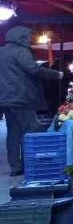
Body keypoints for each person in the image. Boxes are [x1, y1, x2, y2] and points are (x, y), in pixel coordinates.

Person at [0, 26, 62, 175]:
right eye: (27, 36)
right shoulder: (21, 51)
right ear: (20, 37)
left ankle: (15, 167)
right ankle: (30, 165)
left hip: (6, 98)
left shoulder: (2, 52)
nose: (29, 39)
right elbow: (33, 69)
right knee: (31, 130)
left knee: (13, 133)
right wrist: (56, 74)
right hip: (22, 97)